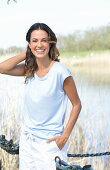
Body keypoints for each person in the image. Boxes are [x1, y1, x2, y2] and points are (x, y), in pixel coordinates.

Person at [0, 23, 82, 170]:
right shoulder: (29, 69)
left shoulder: (61, 72)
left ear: (51, 43)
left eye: (44, 40)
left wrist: (65, 136)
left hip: (50, 144)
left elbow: (77, 105)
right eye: (35, 41)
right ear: (29, 44)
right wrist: (29, 52)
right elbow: (2, 68)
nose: (40, 44)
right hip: (27, 141)